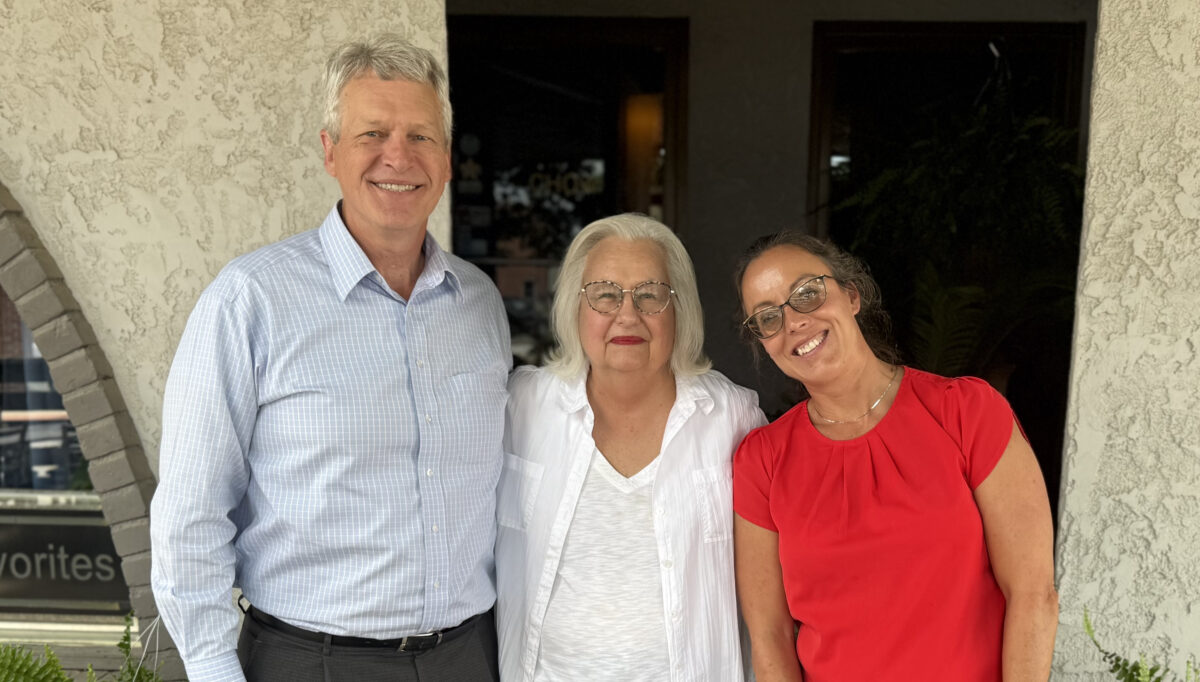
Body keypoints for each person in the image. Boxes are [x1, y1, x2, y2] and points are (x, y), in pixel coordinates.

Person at [150, 34, 510, 682]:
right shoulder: (249, 301)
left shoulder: (478, 303)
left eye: (421, 136)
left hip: (468, 657)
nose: (397, 156)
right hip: (309, 662)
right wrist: (210, 667)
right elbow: (189, 513)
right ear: (329, 152)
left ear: (448, 160)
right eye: (372, 133)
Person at [731, 232, 1058, 682]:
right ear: (764, 343)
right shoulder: (762, 460)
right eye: (767, 317)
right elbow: (770, 638)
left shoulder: (965, 413)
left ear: (851, 295)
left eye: (806, 294)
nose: (793, 323)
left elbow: (1032, 594)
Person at [495, 214, 765, 681]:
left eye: (650, 295)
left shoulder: (732, 419)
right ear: (574, 308)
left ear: (680, 309)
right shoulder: (521, 407)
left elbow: (772, 589)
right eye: (603, 293)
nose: (627, 314)